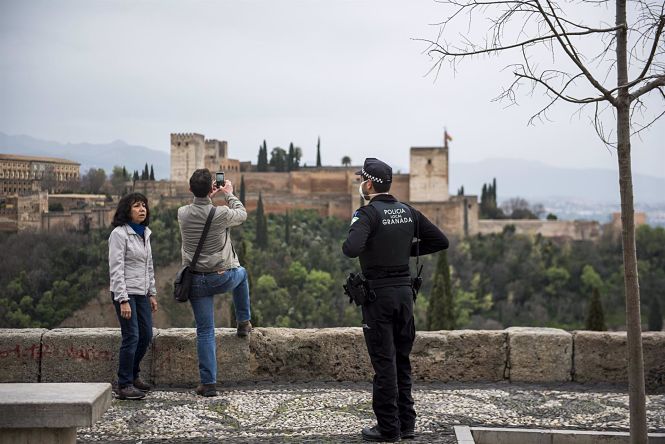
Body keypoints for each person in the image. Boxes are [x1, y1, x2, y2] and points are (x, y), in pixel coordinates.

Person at [342, 158, 449, 442]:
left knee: (384, 363)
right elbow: (440, 241)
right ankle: (407, 423)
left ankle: (388, 428)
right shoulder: (408, 212)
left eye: (360, 181)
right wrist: (404, 249)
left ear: (368, 184)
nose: (359, 185)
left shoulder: (366, 214)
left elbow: (351, 249)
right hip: (405, 296)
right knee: (402, 359)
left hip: (378, 298)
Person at [178, 169, 251, 397]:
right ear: (212, 188)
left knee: (205, 331)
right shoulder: (221, 214)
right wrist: (228, 193)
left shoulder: (182, 213)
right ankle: (243, 322)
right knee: (243, 274)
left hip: (196, 281)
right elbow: (242, 213)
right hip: (221, 277)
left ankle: (208, 384)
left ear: (190, 189)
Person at [109, 192, 158, 400]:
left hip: (142, 293)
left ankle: (134, 374)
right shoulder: (119, 235)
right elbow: (116, 268)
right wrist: (122, 299)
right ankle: (124, 384)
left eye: (144, 206)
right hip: (126, 294)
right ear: (127, 211)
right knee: (132, 337)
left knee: (146, 336)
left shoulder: (145, 233)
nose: (142, 209)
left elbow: (149, 266)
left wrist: (152, 293)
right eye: (137, 206)